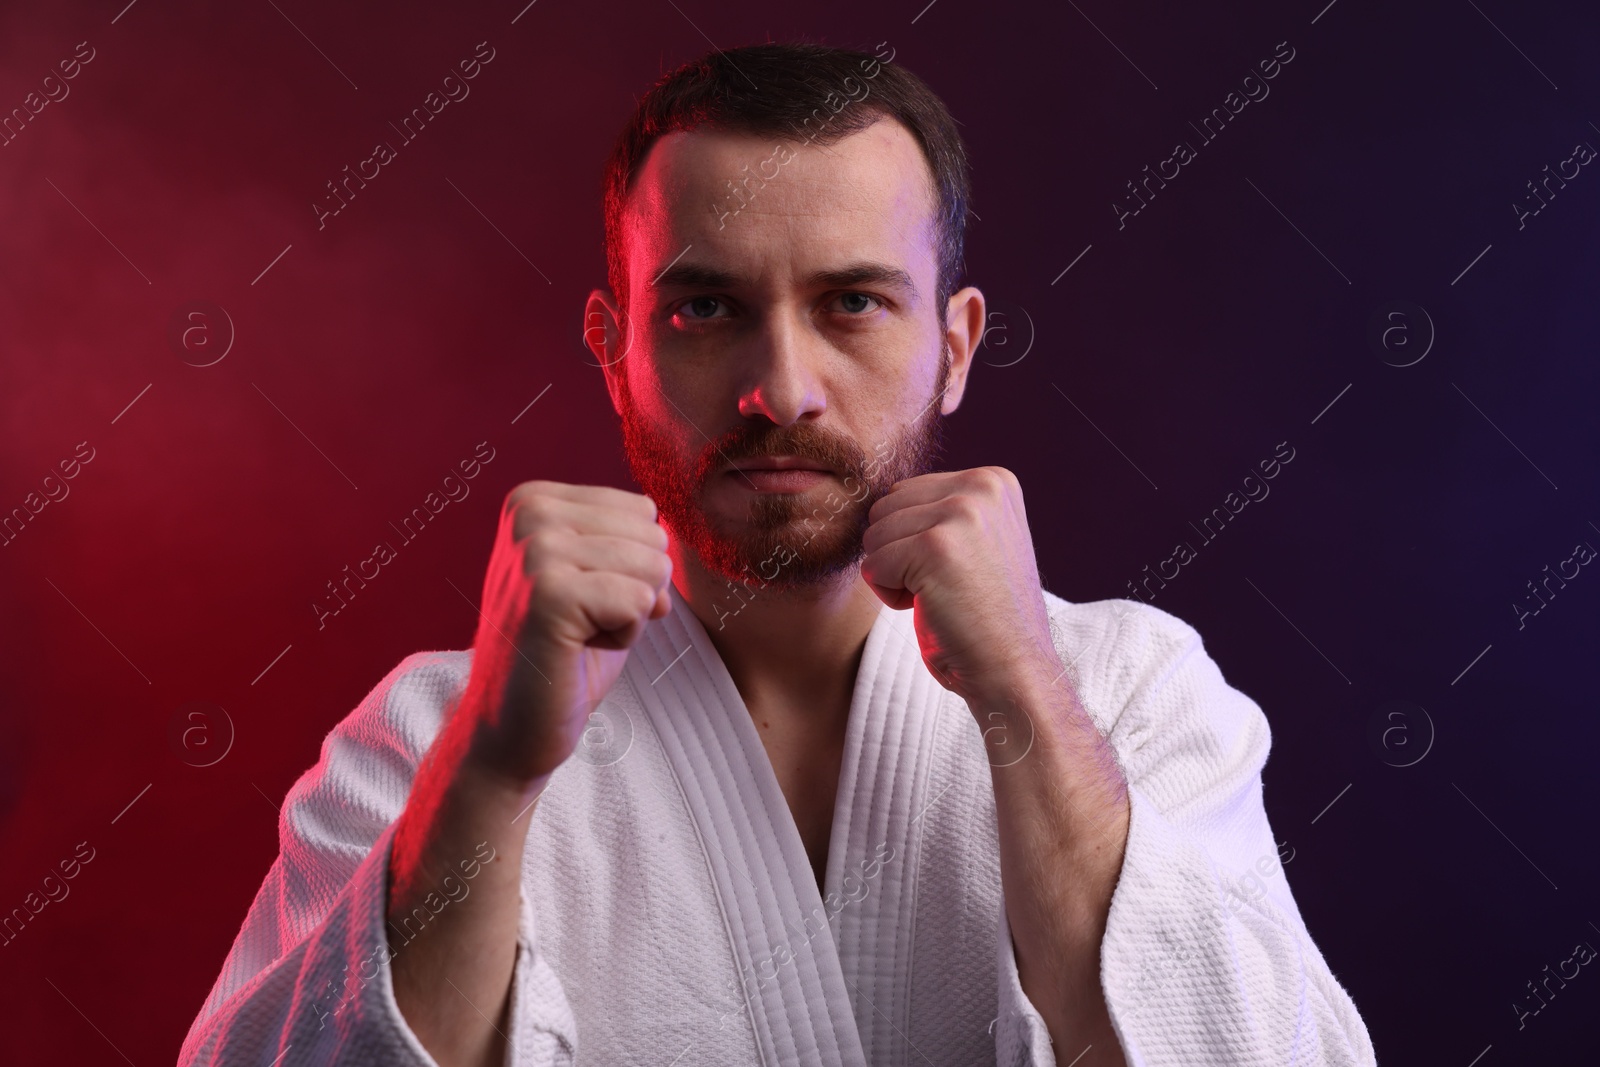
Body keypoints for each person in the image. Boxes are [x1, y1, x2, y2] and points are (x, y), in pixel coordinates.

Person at [179, 41, 1377, 1067]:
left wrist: (1025, 690)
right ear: (613, 350)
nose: (781, 389)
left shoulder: (1129, 690)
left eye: (853, 302)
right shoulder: (433, 732)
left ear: (955, 346)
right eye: (705, 308)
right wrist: (491, 771)